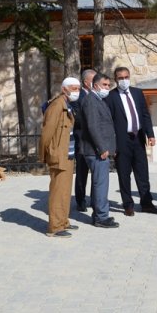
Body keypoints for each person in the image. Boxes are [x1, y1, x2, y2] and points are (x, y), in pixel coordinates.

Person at [105, 67, 157, 216]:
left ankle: (147, 203)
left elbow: (145, 114)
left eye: (126, 77)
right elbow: (108, 122)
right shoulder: (111, 97)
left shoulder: (137, 93)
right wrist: (112, 145)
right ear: (115, 79)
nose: (124, 80)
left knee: (142, 173)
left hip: (138, 139)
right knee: (124, 174)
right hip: (122, 141)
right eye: (120, 78)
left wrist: (150, 134)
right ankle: (128, 205)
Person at [40, 77, 81, 238]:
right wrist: (44, 155)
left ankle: (63, 221)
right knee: (58, 192)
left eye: (78, 88)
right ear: (64, 89)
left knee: (65, 191)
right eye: (74, 88)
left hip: (67, 155)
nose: (77, 91)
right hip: (58, 155)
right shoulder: (57, 106)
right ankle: (55, 227)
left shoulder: (67, 104)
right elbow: (47, 132)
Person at [78, 73, 119, 228]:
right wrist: (102, 147)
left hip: (98, 149)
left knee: (99, 184)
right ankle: (101, 217)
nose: (107, 88)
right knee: (100, 184)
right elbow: (93, 126)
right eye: (105, 85)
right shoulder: (91, 100)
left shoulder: (97, 100)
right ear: (95, 85)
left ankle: (99, 214)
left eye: (109, 85)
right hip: (95, 151)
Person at [73, 68, 97, 212]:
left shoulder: (98, 96)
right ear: (86, 82)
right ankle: (80, 200)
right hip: (82, 140)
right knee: (82, 172)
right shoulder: (78, 97)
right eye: (93, 80)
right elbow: (76, 118)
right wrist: (93, 122)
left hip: (96, 141)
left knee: (97, 172)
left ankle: (95, 200)